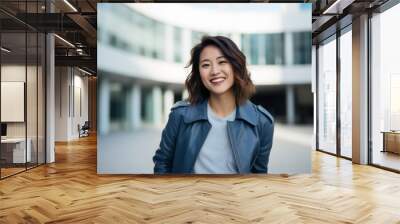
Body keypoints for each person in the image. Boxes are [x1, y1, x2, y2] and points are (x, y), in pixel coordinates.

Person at [153, 35, 274, 174]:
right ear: (199, 73)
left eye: (222, 62)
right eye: (206, 65)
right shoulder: (180, 115)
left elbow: (259, 177)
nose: (215, 71)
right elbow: (162, 163)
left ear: (235, 66)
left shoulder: (262, 122)